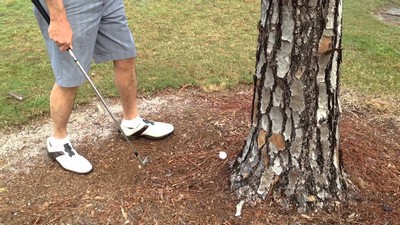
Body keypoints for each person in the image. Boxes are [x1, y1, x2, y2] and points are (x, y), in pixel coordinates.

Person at [34, 0, 174, 174]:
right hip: (68, 5)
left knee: (125, 55)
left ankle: (132, 122)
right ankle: (58, 142)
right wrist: (58, 18)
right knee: (71, 76)